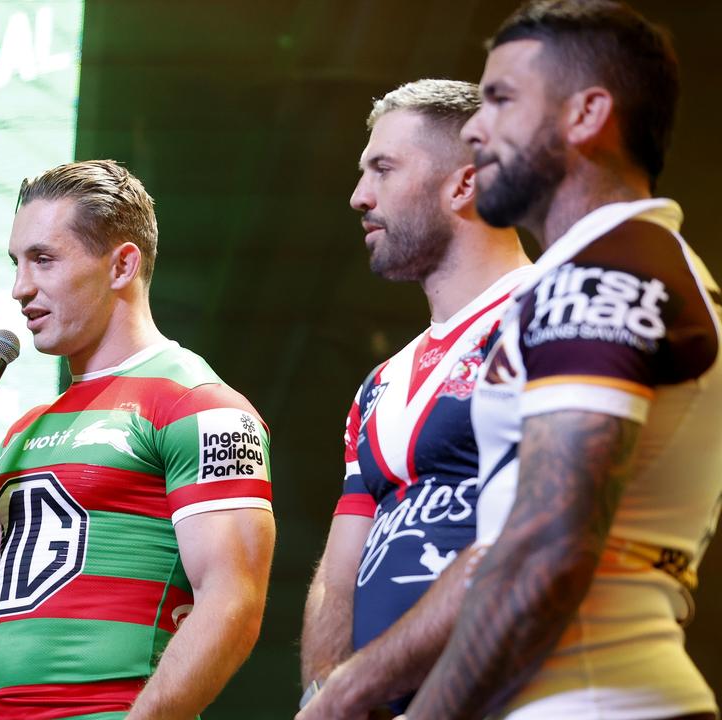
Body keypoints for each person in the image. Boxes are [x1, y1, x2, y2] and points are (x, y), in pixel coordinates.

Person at [405, 2, 721, 718]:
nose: (476, 128)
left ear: (587, 115)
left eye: (501, 99)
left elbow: (545, 551)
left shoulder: (603, 277)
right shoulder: (623, 265)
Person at [0, 159, 276, 719]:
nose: (19, 289)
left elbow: (234, 605)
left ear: (122, 264)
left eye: (43, 260)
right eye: (16, 263)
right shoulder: (28, 429)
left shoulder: (199, 404)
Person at [297, 79, 531, 718]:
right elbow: (342, 569)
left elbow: (541, 536)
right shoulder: (380, 383)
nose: (358, 196)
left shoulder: (545, 315)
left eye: (383, 168)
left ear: (463, 183)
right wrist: (326, 690)